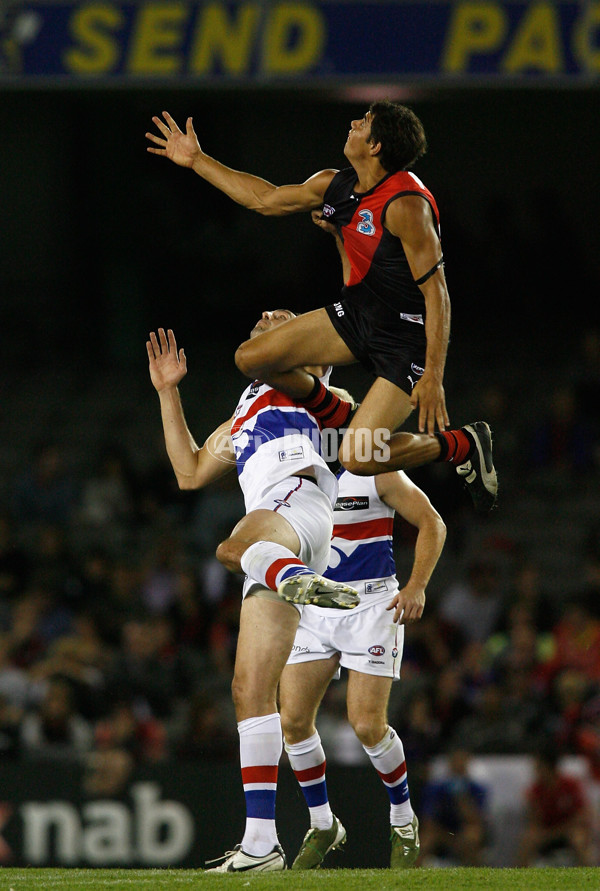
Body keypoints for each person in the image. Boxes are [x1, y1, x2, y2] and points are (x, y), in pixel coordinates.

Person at [146, 101, 498, 513]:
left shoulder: (407, 205)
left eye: (363, 123)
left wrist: (434, 376)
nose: (352, 123)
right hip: (357, 318)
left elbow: (437, 293)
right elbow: (265, 198)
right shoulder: (335, 186)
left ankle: (460, 444)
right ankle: (330, 410)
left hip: (403, 343)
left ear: (376, 145)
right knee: (249, 358)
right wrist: (197, 161)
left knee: (357, 456)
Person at [147, 312, 359, 873]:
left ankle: (291, 575)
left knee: (229, 547)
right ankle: (261, 845)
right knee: (249, 690)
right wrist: (169, 393)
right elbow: (190, 473)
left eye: (282, 318)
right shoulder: (246, 409)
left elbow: (363, 432)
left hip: (295, 503)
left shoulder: (318, 390)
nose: (267, 317)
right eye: (264, 316)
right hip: (275, 539)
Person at [278, 459, 447, 869]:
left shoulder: (375, 470)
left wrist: (417, 585)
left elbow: (432, 523)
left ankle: (404, 821)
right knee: (293, 722)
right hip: (315, 605)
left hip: (371, 606)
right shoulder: (293, 473)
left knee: (368, 724)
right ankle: (322, 823)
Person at [517, 749, 594, 866]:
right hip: (547, 832)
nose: (535, 771)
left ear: (548, 767)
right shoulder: (536, 790)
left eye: (538, 767)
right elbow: (534, 820)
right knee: (528, 840)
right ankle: (520, 878)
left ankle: (588, 878)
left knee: (579, 839)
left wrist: (559, 831)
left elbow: (583, 815)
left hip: (568, 830)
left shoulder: (570, 785)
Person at [418, 747, 488, 866]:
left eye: (462, 762)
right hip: (441, 831)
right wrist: (448, 838)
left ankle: (476, 875)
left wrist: (461, 798)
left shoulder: (477, 789)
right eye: (456, 761)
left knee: (472, 837)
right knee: (424, 841)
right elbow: (428, 820)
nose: (458, 765)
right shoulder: (436, 789)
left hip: (464, 831)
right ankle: (413, 876)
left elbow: (476, 820)